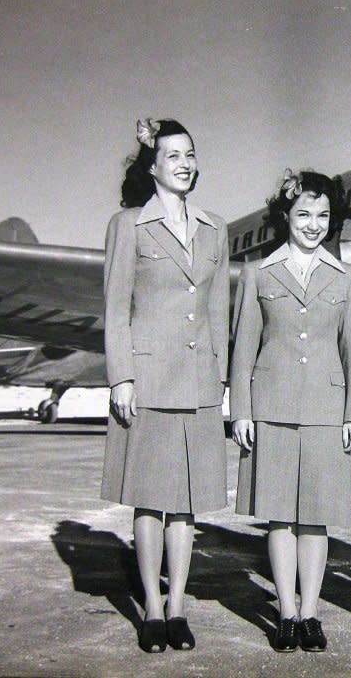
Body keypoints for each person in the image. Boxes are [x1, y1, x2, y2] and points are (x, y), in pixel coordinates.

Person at [100, 118, 229, 653]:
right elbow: (116, 308)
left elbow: (219, 309)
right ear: (151, 166)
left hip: (199, 381)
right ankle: (151, 609)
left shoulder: (214, 227)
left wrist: (220, 378)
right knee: (149, 501)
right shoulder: (128, 224)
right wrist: (122, 377)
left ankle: (178, 606)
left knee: (187, 504)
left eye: (190, 153)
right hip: (149, 378)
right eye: (171, 154)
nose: (183, 162)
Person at [230, 170, 351, 653]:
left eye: (323, 216)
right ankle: (286, 613)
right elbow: (243, 347)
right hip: (270, 406)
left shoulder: (349, 278)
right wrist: (240, 411)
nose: (313, 224)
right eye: (304, 214)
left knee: (315, 518)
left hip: (327, 409)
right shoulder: (258, 273)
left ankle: (311, 612)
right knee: (278, 518)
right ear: (285, 216)